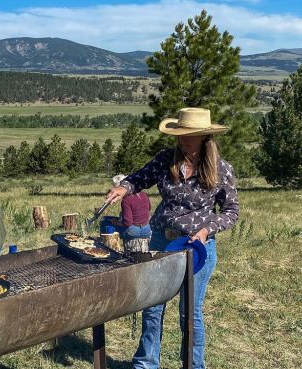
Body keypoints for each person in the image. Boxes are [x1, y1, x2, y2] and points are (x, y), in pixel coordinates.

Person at [106, 108, 239, 369]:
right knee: (152, 305)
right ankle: (145, 363)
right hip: (160, 241)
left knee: (190, 311)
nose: (182, 139)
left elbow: (231, 211)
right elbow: (139, 178)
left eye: (189, 135)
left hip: (197, 247)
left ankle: (193, 364)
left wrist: (205, 231)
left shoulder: (222, 169)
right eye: (180, 134)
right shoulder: (166, 159)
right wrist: (124, 188)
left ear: (204, 137)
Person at [109, 174, 151, 253]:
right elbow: (149, 208)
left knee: (110, 227)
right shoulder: (144, 194)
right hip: (147, 229)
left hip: (134, 231)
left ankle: (112, 251)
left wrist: (116, 222)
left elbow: (128, 222)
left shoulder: (126, 200)